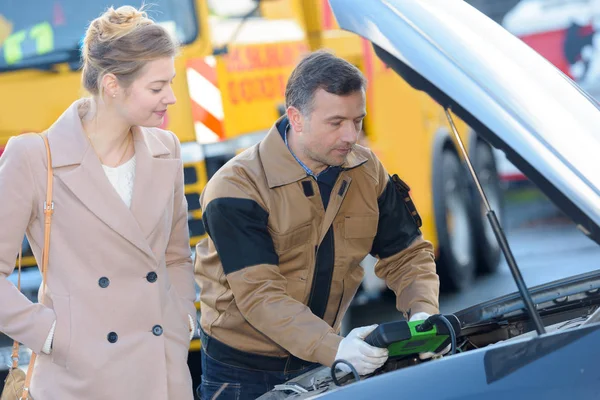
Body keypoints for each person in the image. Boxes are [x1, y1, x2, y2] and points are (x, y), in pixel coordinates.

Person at [194, 50, 444, 400]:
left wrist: (422, 315)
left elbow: (408, 255)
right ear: (295, 118)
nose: (351, 136)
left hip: (321, 358)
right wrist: (337, 349)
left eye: (358, 120)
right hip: (242, 372)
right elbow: (260, 296)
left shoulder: (366, 169)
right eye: (336, 122)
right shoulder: (236, 187)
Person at [0, 6, 196, 399]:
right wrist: (53, 335)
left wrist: (182, 320)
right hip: (80, 380)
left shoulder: (165, 147)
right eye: (157, 88)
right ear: (112, 85)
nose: (171, 98)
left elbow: (176, 256)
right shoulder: (35, 157)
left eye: (170, 83)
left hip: (163, 373)